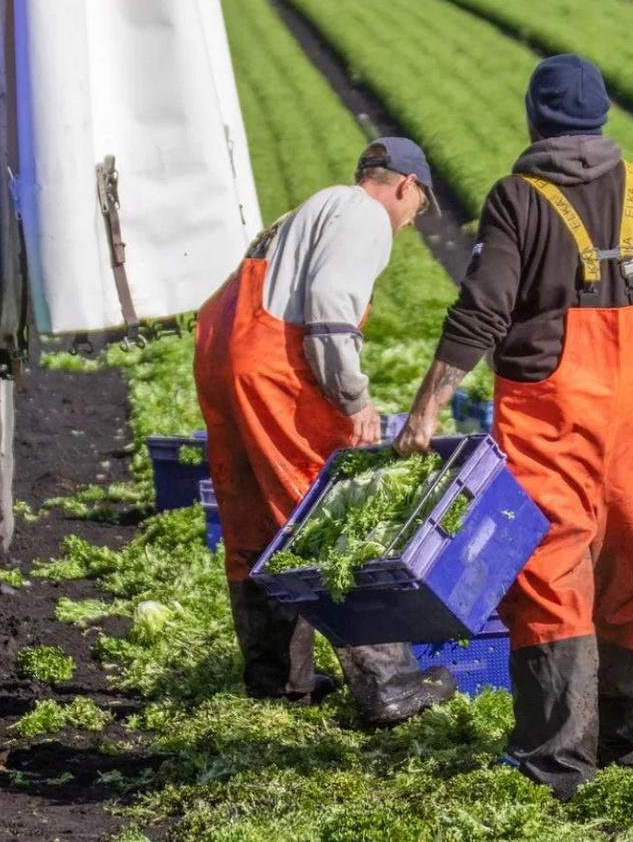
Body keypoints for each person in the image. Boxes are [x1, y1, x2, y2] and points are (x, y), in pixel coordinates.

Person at [393, 55, 633, 798]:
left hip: (552, 415)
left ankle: (557, 759)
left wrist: (426, 405)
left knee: (551, 569)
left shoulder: (518, 200)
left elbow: (479, 314)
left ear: (534, 121)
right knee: (630, 563)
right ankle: (630, 741)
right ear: (603, 117)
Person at [194, 137, 458, 725]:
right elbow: (330, 305)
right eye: (419, 207)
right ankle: (387, 683)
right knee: (325, 516)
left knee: (257, 520)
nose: (413, 222)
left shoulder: (304, 213)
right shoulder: (362, 213)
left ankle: (276, 680)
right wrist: (353, 396)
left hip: (222, 357)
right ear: (405, 186)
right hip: (273, 369)